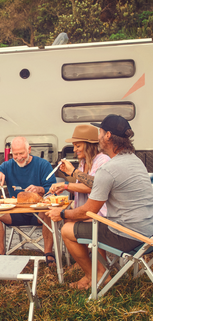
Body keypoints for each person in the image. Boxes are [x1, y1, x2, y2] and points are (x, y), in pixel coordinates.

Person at [46, 114, 153, 289]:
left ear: (108, 136)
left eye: (100, 132)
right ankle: (96, 274)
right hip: (149, 234)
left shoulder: (108, 168)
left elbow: (88, 211)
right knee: (94, 224)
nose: (98, 137)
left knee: (67, 230)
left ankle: (97, 276)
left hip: (128, 236)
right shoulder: (136, 161)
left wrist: (62, 213)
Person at [0, 136, 55, 260]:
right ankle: (0, 253)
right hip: (16, 212)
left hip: (38, 214)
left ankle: (48, 253)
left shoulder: (43, 165)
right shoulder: (8, 165)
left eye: (21, 153)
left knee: (50, 212)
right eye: (15, 154)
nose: (19, 157)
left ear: (29, 150)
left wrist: (40, 189)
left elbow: (53, 190)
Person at [48, 124, 110, 218]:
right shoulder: (83, 162)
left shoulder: (103, 160)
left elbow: (93, 187)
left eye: (77, 146)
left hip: (98, 215)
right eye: (74, 146)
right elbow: (81, 189)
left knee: (62, 222)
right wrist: (67, 188)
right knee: (53, 216)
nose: (74, 150)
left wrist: (66, 184)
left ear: (89, 146)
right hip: (84, 212)